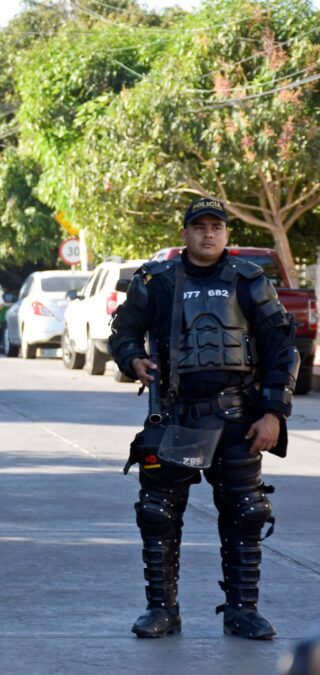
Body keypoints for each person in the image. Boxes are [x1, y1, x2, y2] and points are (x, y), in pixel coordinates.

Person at [109, 197, 298, 641]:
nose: (208, 234)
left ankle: (242, 611)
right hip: (178, 417)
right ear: (185, 233)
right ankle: (162, 611)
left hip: (239, 419)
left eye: (216, 227)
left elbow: (281, 349)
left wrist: (273, 414)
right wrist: (132, 359)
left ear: (226, 233)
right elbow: (124, 331)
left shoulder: (250, 281)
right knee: (157, 513)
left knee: (246, 513)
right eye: (199, 227)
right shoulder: (157, 281)